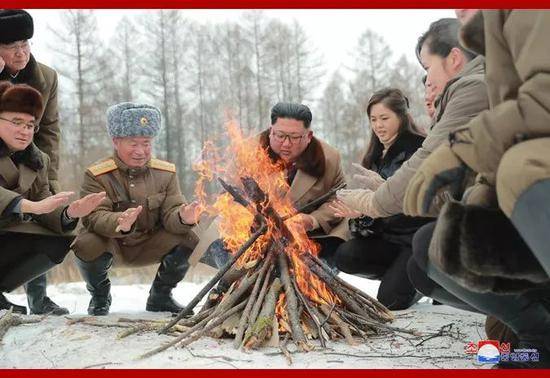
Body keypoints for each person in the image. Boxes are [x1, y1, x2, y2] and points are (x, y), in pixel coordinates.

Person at [404, 10, 550, 368]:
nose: (427, 83)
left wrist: (461, 151)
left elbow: (542, 103)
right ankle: (539, 336)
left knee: (523, 167)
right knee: (440, 244)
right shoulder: (494, 42)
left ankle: (536, 332)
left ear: (452, 59)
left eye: (428, 69)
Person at [71, 102, 200, 316]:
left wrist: (183, 217)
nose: (141, 151)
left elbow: (172, 212)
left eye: (146, 143)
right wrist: (119, 222)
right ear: (116, 141)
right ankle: (100, 296)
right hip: (113, 244)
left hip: (148, 243)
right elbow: (93, 218)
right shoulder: (97, 174)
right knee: (85, 243)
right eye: (133, 144)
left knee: (190, 238)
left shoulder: (165, 173)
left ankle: (161, 296)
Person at [195, 102, 347, 270]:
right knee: (223, 251)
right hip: (256, 234)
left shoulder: (329, 158)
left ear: (309, 136)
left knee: (326, 263)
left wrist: (312, 220)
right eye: (280, 135)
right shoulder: (248, 152)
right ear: (270, 131)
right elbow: (230, 197)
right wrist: (255, 221)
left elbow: (339, 199)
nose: (286, 144)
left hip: (309, 238)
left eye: (295, 137)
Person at [0, 81, 104, 314]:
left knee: (60, 236)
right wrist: (29, 206)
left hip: (6, 233)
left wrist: (69, 213)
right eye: (16, 122)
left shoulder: (37, 160)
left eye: (30, 125)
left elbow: (44, 197)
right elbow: (32, 204)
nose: (24, 131)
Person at [329, 88, 429, 310]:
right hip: (389, 239)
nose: (378, 125)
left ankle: (420, 283)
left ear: (401, 117)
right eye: (373, 119)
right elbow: (374, 209)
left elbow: (422, 206)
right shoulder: (375, 155)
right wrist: (361, 213)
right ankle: (401, 276)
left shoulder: (419, 149)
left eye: (384, 118)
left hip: (415, 239)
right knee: (346, 256)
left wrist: (382, 195)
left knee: (390, 300)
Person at [0, 9, 66, 314]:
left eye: (25, 43)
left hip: (31, 162)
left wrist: (48, 176)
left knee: (45, 218)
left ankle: (38, 298)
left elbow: (49, 130)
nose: (21, 52)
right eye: (11, 46)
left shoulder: (46, 77)